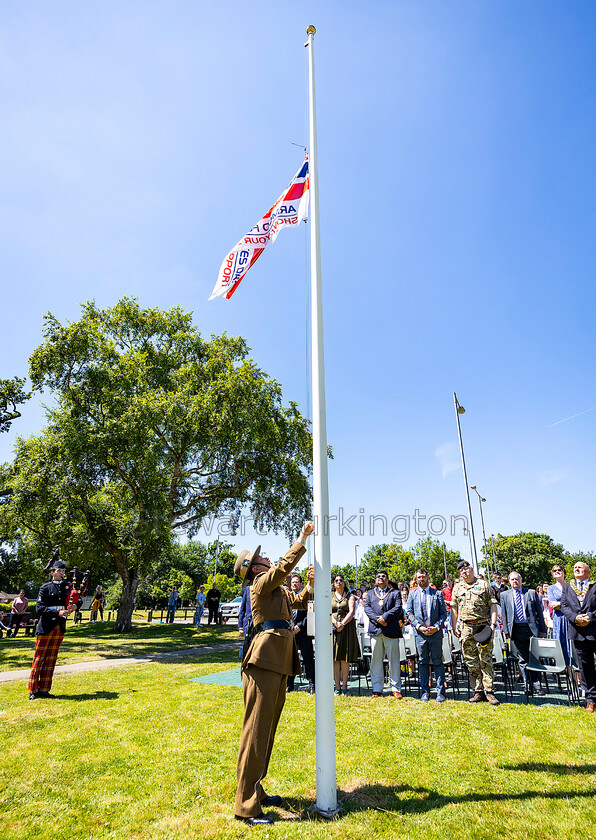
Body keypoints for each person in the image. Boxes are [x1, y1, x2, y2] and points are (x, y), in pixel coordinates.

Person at [233, 522, 314, 825]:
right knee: (255, 732)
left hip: (277, 661)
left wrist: (310, 585)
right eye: (261, 558)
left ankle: (257, 789)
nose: (266, 558)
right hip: (264, 661)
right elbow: (283, 566)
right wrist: (302, 538)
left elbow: (298, 602)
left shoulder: (275, 590)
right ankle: (246, 806)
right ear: (254, 569)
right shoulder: (260, 584)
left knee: (266, 731)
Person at [450, 560, 499, 705]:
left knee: (486, 659)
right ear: (460, 573)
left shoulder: (484, 584)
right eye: (462, 571)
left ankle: (489, 691)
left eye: (467, 569)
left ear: (472, 569)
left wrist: (493, 624)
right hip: (466, 628)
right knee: (471, 661)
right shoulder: (457, 587)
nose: (465, 572)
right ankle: (478, 691)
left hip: (483, 627)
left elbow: (493, 604)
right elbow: (454, 608)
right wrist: (454, 626)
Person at [28, 552, 76, 699]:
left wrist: (75, 606)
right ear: (52, 572)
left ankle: (44, 689)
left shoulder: (67, 587)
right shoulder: (45, 588)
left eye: (63, 571)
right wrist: (58, 612)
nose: (62, 573)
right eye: (59, 571)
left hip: (59, 628)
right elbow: (39, 608)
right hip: (46, 626)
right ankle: (33, 690)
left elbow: (76, 600)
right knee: (39, 658)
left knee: (51, 659)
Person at [500, 571, 547, 694]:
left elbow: (539, 613)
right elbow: (504, 615)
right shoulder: (504, 595)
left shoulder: (530, 593)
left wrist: (542, 630)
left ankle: (537, 685)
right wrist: (507, 632)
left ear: (521, 580)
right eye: (512, 579)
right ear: (509, 581)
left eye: (517, 579)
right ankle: (527, 685)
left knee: (535, 657)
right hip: (516, 629)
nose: (515, 581)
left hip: (532, 629)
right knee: (523, 659)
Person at [406, 568, 448, 702]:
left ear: (427, 578)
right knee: (422, 662)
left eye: (423, 577)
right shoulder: (412, 595)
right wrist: (419, 627)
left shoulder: (438, 593)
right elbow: (410, 613)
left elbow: (443, 613)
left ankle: (440, 693)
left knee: (438, 662)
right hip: (420, 634)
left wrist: (436, 627)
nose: (421, 579)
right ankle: (425, 692)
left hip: (435, 633)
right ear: (416, 579)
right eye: (419, 577)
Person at [561, 561, 596, 712]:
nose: (576, 569)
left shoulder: (595, 586)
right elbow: (564, 606)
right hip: (578, 632)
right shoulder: (567, 587)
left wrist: (590, 617)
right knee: (585, 668)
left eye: (580, 567)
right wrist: (575, 618)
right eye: (575, 567)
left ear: (588, 572)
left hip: (594, 630)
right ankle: (591, 700)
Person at [364, 570, 403, 699]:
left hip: (391, 629)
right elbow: (367, 608)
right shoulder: (370, 593)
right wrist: (377, 619)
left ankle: (395, 688)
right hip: (376, 630)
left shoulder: (395, 593)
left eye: (383, 576)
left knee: (394, 660)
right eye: (378, 576)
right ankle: (377, 688)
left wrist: (385, 617)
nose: (380, 578)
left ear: (387, 580)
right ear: (376, 580)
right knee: (376, 660)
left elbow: (398, 608)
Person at [286, 572, 315, 694]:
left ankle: (312, 684)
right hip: (289, 633)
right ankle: (289, 685)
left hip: (303, 632)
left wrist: (300, 626)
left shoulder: (308, 595)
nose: (294, 584)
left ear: (301, 584)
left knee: (308, 659)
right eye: (292, 582)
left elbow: (311, 613)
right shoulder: (287, 596)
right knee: (290, 659)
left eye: (296, 582)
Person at [331, 574, 359, 696]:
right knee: (335, 658)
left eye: (341, 580)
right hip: (333, 628)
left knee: (345, 658)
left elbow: (352, 611)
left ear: (344, 583)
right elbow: (327, 612)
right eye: (336, 580)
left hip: (347, 628)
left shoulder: (350, 596)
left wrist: (342, 623)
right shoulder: (329, 596)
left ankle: (344, 686)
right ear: (333, 583)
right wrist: (335, 623)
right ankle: (337, 687)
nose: (339, 582)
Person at [547, 565, 571, 665]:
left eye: (559, 570)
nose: (557, 571)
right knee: (560, 645)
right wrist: (568, 603)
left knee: (571, 646)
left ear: (564, 573)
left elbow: (576, 603)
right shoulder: (551, 588)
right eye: (554, 570)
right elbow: (553, 605)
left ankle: (574, 675)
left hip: (570, 618)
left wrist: (560, 603)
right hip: (559, 620)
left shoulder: (570, 587)